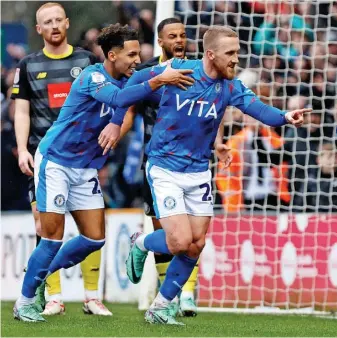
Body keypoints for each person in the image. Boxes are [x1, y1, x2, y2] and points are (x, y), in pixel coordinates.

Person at [121, 26, 310, 325]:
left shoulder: (230, 86)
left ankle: (160, 306)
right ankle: (141, 242)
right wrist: (157, 79)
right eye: (230, 54)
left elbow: (259, 110)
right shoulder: (178, 69)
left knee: (197, 244)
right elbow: (130, 87)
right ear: (211, 55)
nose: (236, 59)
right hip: (165, 166)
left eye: (237, 52)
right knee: (181, 241)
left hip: (198, 170)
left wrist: (286, 117)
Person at [13, 23, 195, 323]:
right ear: (112, 55)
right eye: (131, 54)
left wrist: (119, 119)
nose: (138, 60)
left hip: (85, 167)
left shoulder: (131, 78)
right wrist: (156, 81)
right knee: (51, 237)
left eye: (139, 53)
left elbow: (133, 93)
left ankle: (42, 273)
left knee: (95, 239)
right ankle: (25, 300)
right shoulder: (92, 76)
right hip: (56, 161)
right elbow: (118, 98)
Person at [119, 17, 224, 316]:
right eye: (173, 36)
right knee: (168, 234)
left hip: (192, 162)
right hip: (158, 164)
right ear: (161, 40)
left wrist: (218, 142)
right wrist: (115, 132)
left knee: (193, 235)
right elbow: (127, 109)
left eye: (184, 35)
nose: (180, 40)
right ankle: (171, 298)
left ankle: (185, 293)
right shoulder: (146, 72)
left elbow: (215, 109)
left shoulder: (197, 71)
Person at [11, 2, 110, 316]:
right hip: (44, 156)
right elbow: (21, 110)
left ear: (67, 23)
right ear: (38, 29)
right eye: (46, 22)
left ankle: (92, 296)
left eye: (58, 20)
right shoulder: (27, 65)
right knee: (45, 227)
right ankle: (52, 296)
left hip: (81, 158)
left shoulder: (88, 60)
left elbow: (103, 104)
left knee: (91, 230)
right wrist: (23, 148)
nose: (53, 25)